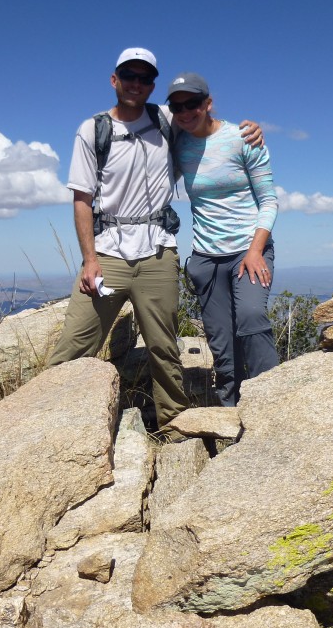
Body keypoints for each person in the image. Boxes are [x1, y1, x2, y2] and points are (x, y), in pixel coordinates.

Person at [47, 49, 261, 435]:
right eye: (129, 75)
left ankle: (173, 427)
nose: (136, 83)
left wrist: (249, 131)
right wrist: (88, 259)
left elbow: (203, 120)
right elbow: (82, 198)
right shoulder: (93, 129)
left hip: (159, 250)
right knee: (74, 345)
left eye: (145, 78)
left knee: (164, 348)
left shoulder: (167, 120)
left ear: (152, 86)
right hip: (108, 250)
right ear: (114, 80)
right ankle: (48, 421)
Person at [169, 72, 279, 407]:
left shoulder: (243, 138)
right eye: (177, 106)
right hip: (205, 257)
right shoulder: (178, 144)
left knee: (250, 316)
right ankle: (231, 407)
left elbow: (269, 200)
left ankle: (271, 401)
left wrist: (256, 250)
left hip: (249, 250)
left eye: (193, 104)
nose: (186, 112)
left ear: (208, 103)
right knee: (220, 340)